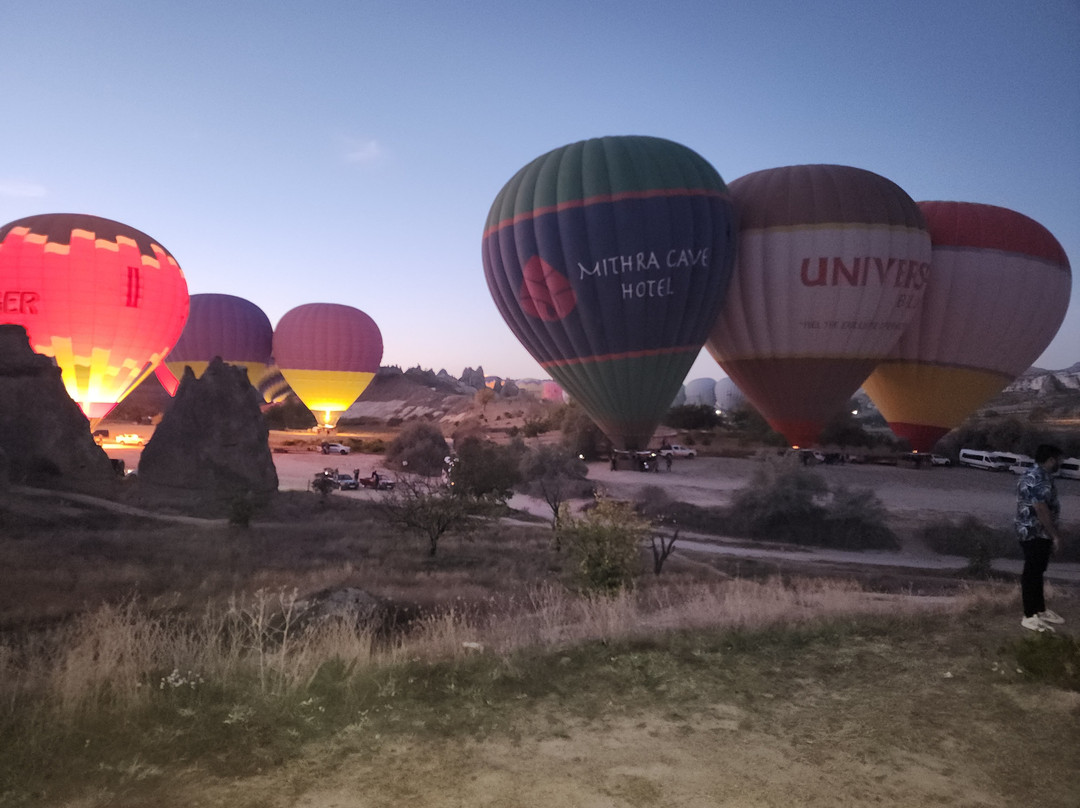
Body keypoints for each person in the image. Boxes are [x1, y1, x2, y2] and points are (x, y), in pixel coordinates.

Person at [1015, 444, 1066, 632]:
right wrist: (1055, 535)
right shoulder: (1037, 478)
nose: (1060, 463)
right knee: (1031, 573)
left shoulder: (1041, 476)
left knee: (1037, 571)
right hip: (1033, 532)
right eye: (1059, 460)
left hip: (1039, 532)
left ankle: (1040, 610)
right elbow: (1041, 509)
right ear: (1051, 459)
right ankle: (1029, 615)